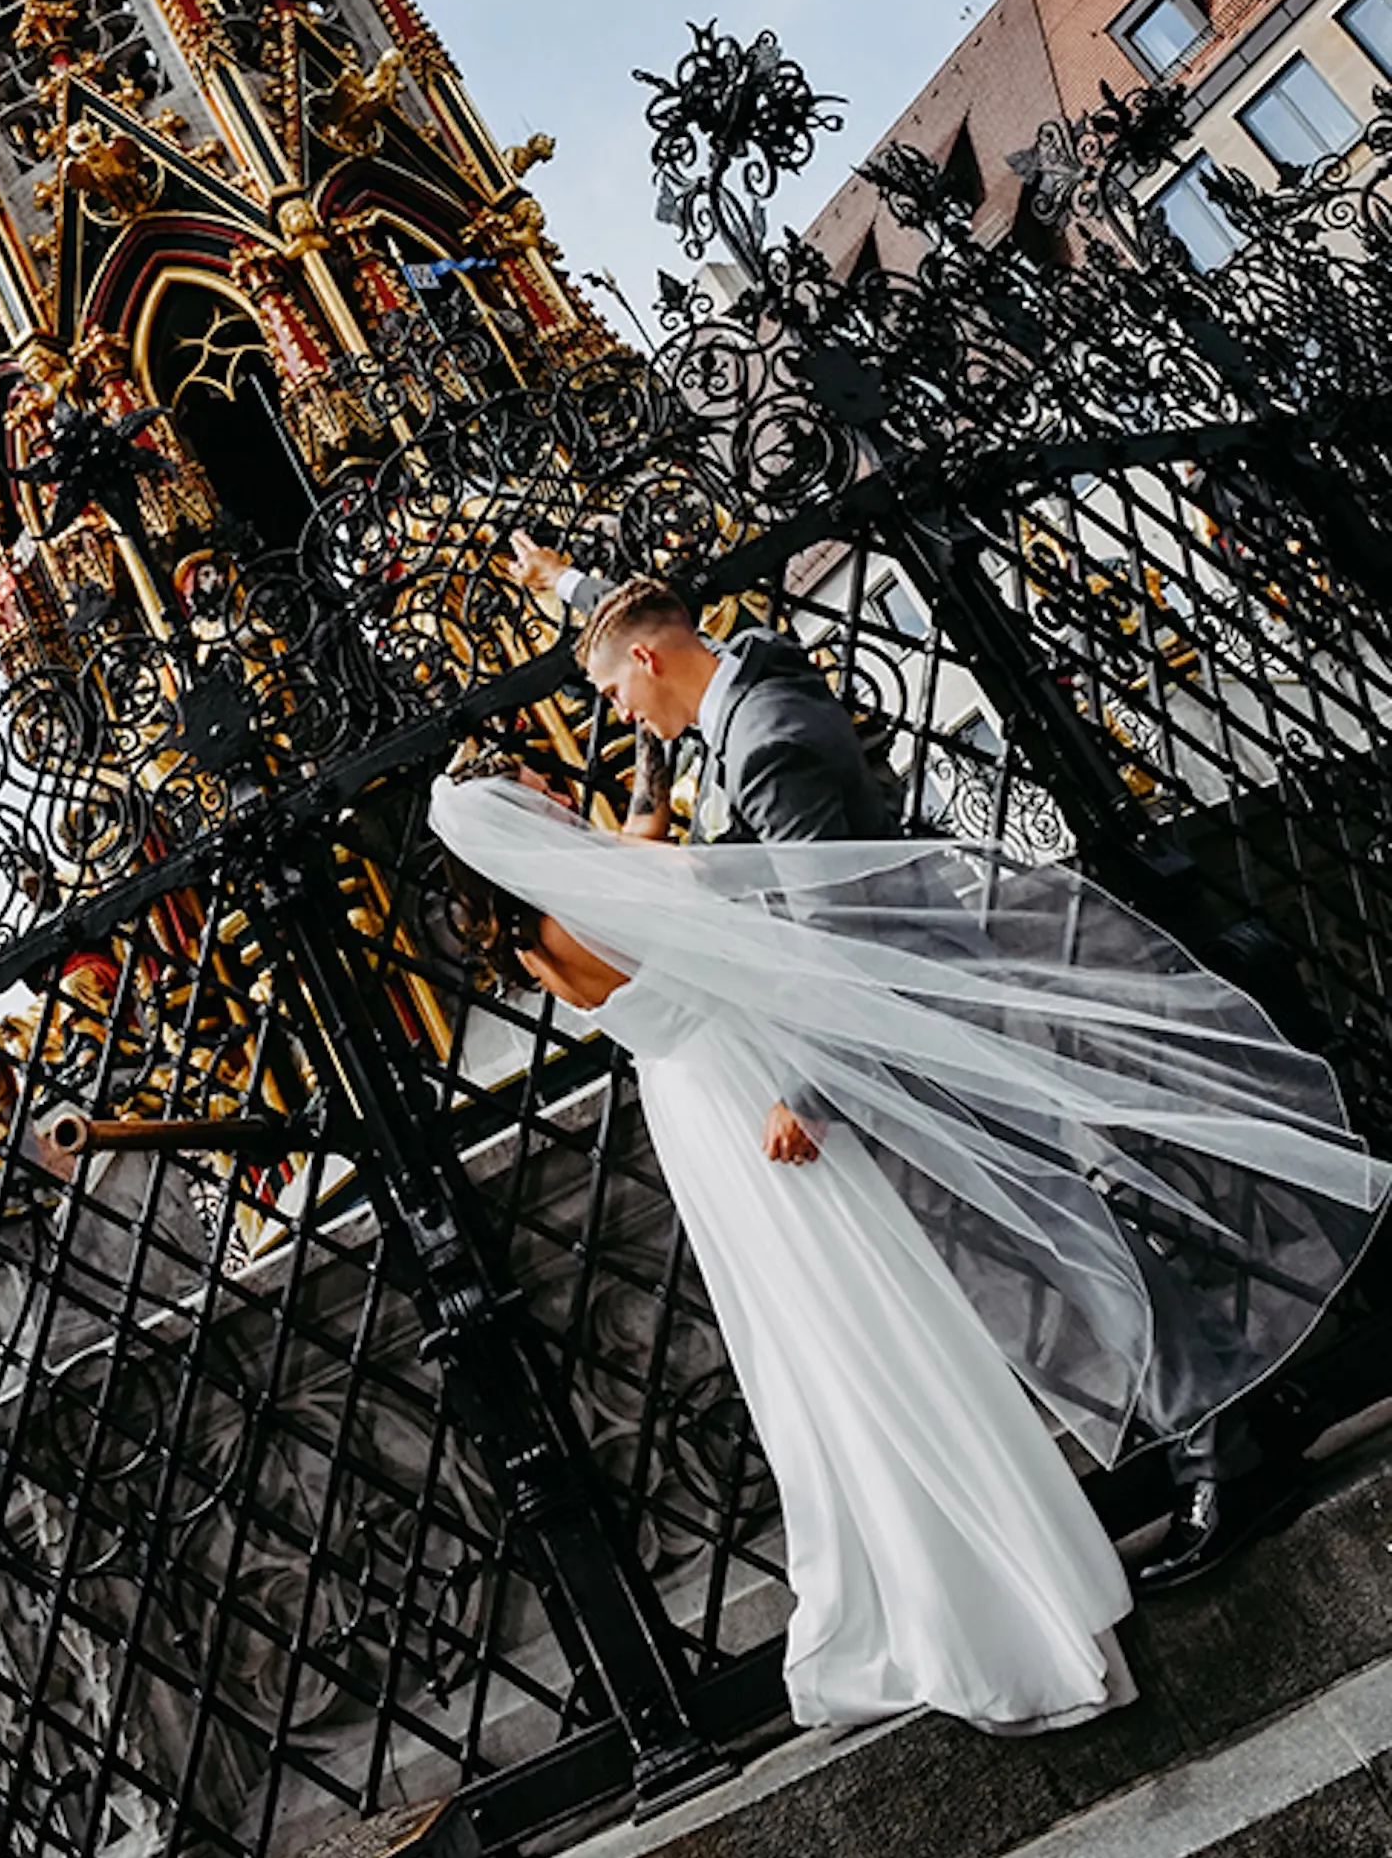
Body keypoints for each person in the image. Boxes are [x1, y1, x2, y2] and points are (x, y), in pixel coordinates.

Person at [514, 547, 1321, 1587]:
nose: (615, 714)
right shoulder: (747, 693)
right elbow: (652, 657)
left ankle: (1229, 1459)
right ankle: (1248, 1410)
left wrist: (805, 1089)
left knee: (1071, 1240)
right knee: (1075, 1226)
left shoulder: (762, 743)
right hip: (919, 1011)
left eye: (613, 690)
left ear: (656, 660)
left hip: (912, 1021)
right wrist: (580, 596)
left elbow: (835, 931)